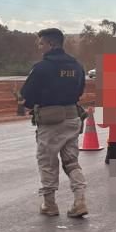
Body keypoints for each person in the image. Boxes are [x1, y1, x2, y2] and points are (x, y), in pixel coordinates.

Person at [20, 28, 88, 218]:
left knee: (47, 161)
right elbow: (80, 90)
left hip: (50, 121)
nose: (39, 46)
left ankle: (49, 204)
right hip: (72, 117)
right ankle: (80, 200)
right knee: (71, 161)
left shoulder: (42, 67)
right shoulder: (76, 66)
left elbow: (27, 95)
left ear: (51, 44)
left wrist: (28, 104)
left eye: (41, 43)